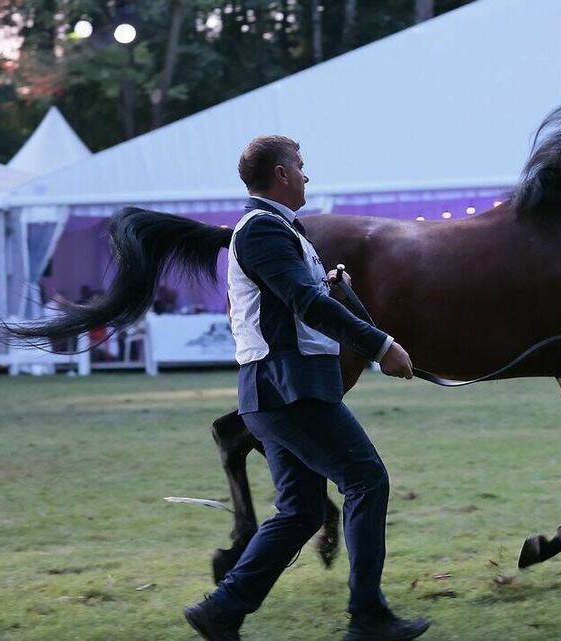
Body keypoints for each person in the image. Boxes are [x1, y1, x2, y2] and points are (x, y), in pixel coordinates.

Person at [183, 136, 430, 641]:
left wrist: (330, 281)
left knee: (301, 510)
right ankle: (367, 616)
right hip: (290, 390)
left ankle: (222, 610)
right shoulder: (263, 233)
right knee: (366, 480)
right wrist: (381, 345)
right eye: (300, 167)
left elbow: (302, 295)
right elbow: (305, 305)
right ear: (280, 174)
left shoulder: (277, 232)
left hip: (278, 392)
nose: (306, 176)